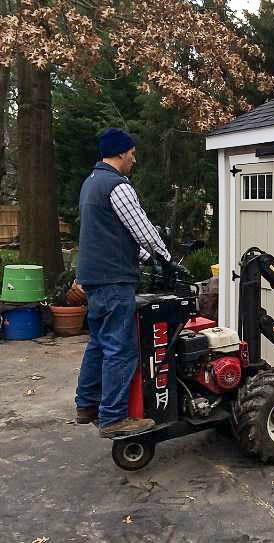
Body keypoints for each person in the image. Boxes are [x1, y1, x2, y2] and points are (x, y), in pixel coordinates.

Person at [75, 128, 173, 438]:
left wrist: (144, 257)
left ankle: (86, 404)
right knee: (121, 348)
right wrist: (168, 259)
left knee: (99, 343)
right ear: (119, 152)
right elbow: (142, 229)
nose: (134, 157)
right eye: (131, 152)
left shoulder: (91, 183)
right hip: (114, 280)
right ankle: (114, 418)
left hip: (94, 277)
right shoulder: (118, 186)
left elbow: (113, 235)